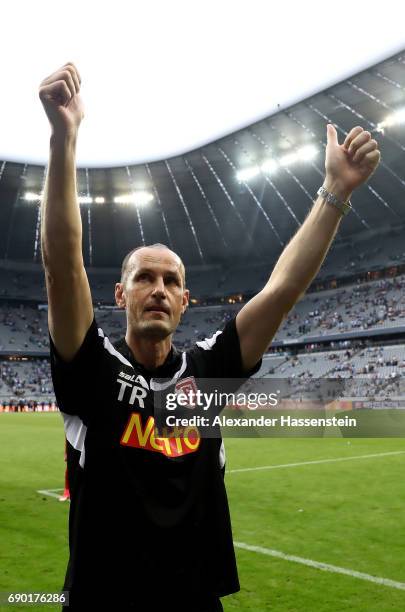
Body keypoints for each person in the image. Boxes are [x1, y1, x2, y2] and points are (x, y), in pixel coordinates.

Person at [38, 63, 380, 611]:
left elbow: (282, 290)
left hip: (196, 600)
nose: (158, 289)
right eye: (144, 278)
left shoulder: (207, 371)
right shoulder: (91, 367)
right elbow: (61, 265)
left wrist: (334, 191)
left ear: (184, 301)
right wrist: (64, 138)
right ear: (120, 296)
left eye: (171, 281)